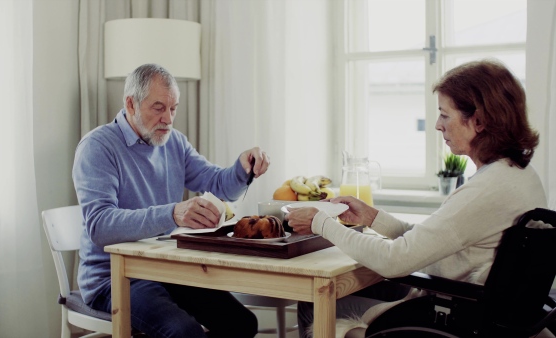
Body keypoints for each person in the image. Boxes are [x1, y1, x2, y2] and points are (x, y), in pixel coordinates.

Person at [286, 59, 547, 338]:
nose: (437, 125)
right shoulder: (518, 175)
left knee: (313, 301)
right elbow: (434, 240)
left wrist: (321, 223)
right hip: (474, 306)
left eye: (445, 115)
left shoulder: (485, 190)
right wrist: (373, 218)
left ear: (479, 121)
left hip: (450, 316)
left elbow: (394, 261)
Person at [72, 63, 270, 338]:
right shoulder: (98, 147)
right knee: (184, 332)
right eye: (158, 108)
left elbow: (216, 183)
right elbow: (100, 226)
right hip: (115, 278)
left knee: (242, 324)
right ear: (131, 104)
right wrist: (173, 214)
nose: (168, 118)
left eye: (173, 108)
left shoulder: (173, 142)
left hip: (166, 269)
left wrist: (241, 167)